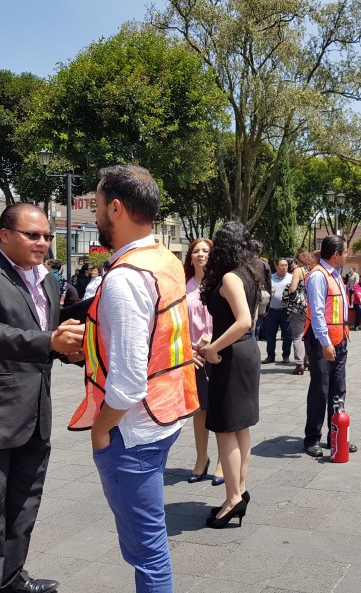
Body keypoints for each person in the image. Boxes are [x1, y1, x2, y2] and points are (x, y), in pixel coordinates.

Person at [67, 165, 199, 591]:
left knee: (148, 552)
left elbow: (126, 381)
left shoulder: (125, 278)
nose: (96, 215)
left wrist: (100, 432)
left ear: (117, 208)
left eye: (100, 205)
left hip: (132, 428)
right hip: (165, 414)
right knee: (150, 544)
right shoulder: (164, 259)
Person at [0, 203, 84, 593]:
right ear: (4, 235)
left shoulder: (49, 280)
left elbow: (47, 338)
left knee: (23, 508)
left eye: (46, 236)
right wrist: (49, 342)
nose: (42, 242)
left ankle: (10, 578)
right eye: (33, 235)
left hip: (35, 413)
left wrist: (68, 350)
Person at [199, 221, 263, 528]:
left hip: (233, 355)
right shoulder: (249, 273)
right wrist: (213, 343)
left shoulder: (230, 277)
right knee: (240, 428)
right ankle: (237, 492)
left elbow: (243, 321)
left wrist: (212, 348)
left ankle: (234, 496)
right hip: (243, 352)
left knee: (226, 429)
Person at [302, 235, 357, 457]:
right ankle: (312, 438)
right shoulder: (318, 276)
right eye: (345, 252)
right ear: (336, 255)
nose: (347, 255)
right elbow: (316, 313)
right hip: (321, 340)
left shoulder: (335, 275)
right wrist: (325, 342)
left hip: (339, 337)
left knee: (338, 388)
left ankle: (336, 434)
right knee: (320, 389)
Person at [184, 237, 225, 486]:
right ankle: (202, 459)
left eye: (206, 251)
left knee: (219, 409)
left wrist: (214, 342)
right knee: (199, 411)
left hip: (218, 352)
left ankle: (222, 461)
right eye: (196, 251)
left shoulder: (221, 284)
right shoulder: (183, 286)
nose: (201, 254)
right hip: (193, 356)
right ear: (190, 257)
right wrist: (188, 350)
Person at [287, 249, 313, 375]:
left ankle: (299, 364)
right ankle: (308, 360)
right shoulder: (312, 269)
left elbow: (292, 288)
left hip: (298, 305)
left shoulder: (298, 270)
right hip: (309, 304)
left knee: (297, 335)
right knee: (307, 334)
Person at [262, 257, 293, 364]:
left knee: (287, 334)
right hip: (272, 310)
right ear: (276, 266)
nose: (284, 268)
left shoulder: (291, 277)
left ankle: (286, 355)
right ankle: (270, 355)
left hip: (286, 310)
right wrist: (269, 290)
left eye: (286, 266)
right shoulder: (270, 278)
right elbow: (263, 291)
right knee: (270, 334)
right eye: (282, 266)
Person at [251, 240, 271, 341]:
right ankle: (254, 337)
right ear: (259, 252)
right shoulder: (263, 264)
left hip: (245, 292)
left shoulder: (241, 262)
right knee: (257, 318)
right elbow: (268, 283)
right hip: (259, 294)